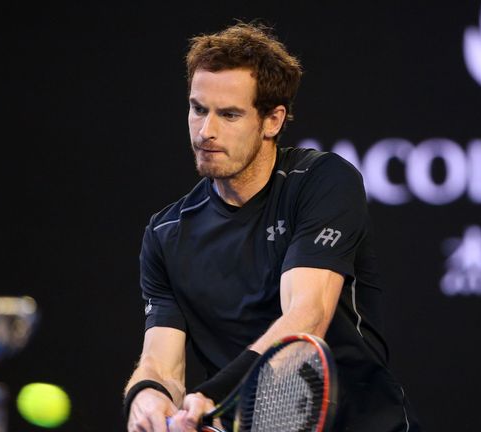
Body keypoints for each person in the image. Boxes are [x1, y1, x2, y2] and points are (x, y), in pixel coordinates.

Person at [123, 21, 420, 432]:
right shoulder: (165, 234)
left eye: (229, 114)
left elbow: (306, 319)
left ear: (273, 121)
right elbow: (162, 362)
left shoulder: (322, 181)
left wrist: (212, 395)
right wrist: (147, 397)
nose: (206, 131)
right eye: (197, 108)